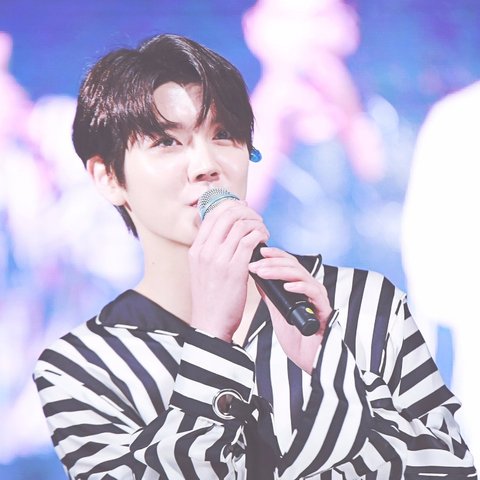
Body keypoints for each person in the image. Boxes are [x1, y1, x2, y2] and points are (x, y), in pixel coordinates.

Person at [33, 33, 476, 479]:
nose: (206, 165)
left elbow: (449, 469)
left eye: (223, 135)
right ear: (108, 177)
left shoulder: (365, 303)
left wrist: (329, 371)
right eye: (167, 142)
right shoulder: (82, 367)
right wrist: (211, 341)